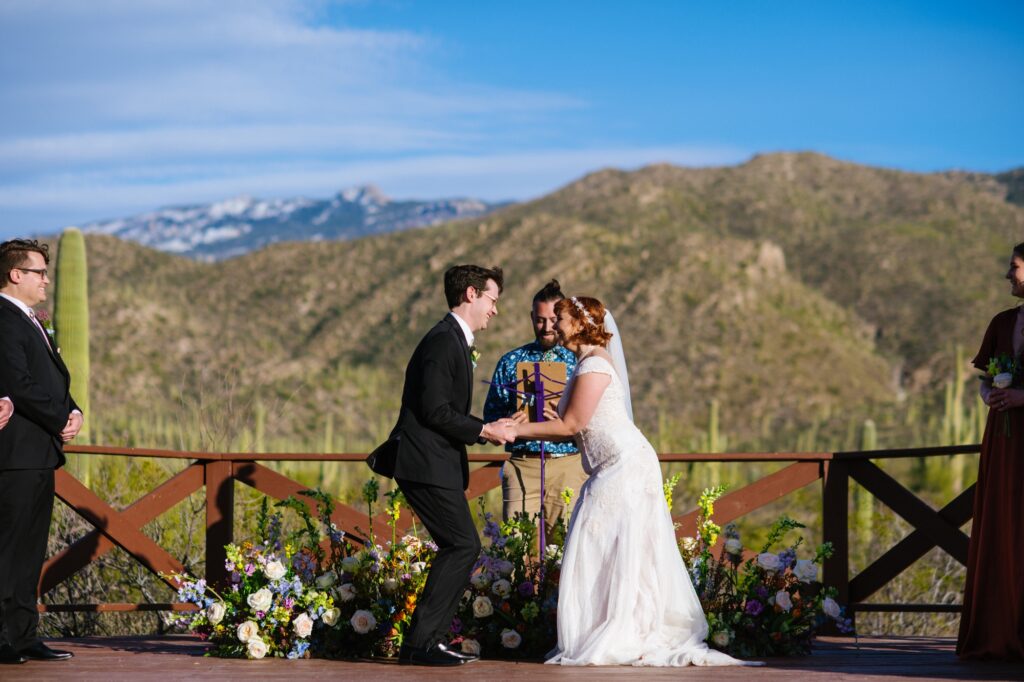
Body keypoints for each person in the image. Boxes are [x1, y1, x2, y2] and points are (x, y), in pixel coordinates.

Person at [510, 296, 759, 667]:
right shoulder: (583, 363)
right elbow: (574, 430)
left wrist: (512, 432)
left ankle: (624, 629)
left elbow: (571, 425)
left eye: (559, 318)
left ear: (578, 323)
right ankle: (610, 627)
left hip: (625, 465)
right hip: (609, 466)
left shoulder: (594, 364)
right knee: (605, 544)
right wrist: (523, 424)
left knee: (607, 542)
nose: (553, 325)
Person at [370, 264, 516, 667]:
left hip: (435, 463)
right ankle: (420, 645)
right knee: (463, 544)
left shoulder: (452, 340)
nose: (494, 310)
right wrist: (486, 430)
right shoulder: (441, 342)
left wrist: (489, 427)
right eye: (492, 300)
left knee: (461, 545)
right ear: (471, 294)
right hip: (423, 463)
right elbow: (435, 411)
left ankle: (425, 642)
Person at [0, 239, 82, 665]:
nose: (47, 280)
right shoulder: (4, 319)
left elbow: (50, 381)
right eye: (39, 272)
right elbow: (19, 383)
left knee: (30, 551)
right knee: (7, 548)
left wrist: (74, 411)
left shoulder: (29, 319)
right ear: (16, 275)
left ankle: (23, 636)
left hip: (40, 453)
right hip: (14, 454)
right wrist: (58, 417)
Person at [956, 243, 1024, 660]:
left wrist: (1022, 397)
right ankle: (1000, 629)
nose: (1008, 275)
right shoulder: (1002, 323)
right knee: (1004, 527)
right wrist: (989, 394)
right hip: (1003, 442)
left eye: (1015, 268)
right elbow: (983, 379)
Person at [484, 279, 587, 537]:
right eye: (540, 320)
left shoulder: (579, 361)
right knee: (515, 545)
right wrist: (510, 420)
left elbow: (593, 418)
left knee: (566, 547)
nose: (547, 327)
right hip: (523, 463)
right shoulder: (510, 361)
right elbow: (490, 416)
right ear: (531, 317)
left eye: (553, 320)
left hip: (568, 464)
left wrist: (567, 419)